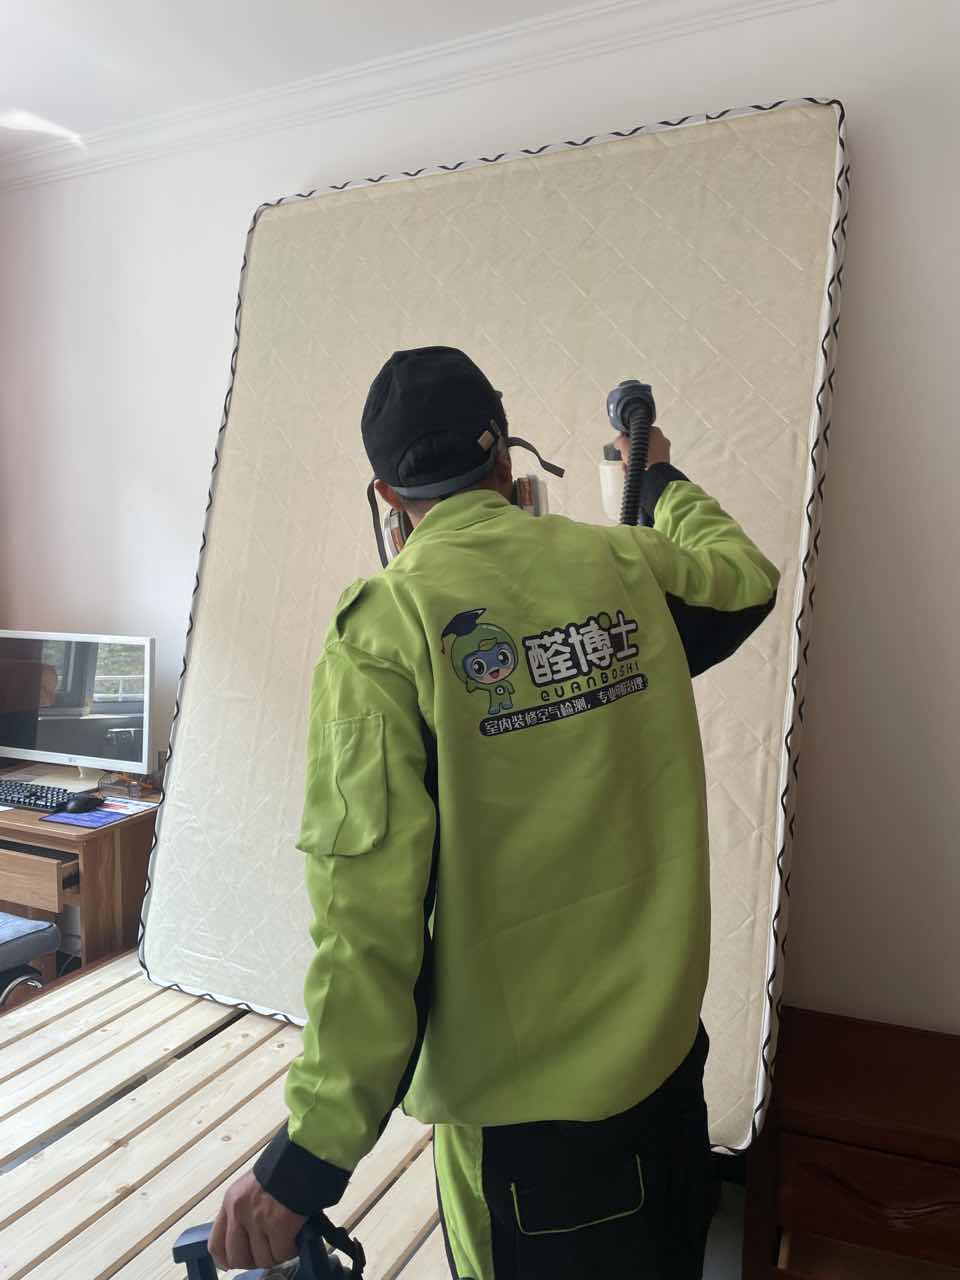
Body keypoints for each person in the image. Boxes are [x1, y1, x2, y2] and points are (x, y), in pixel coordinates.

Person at [210, 346, 780, 1278]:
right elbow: (744, 576)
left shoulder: (388, 632)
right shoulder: (625, 565)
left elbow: (369, 930)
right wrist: (657, 477)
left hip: (525, 1155)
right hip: (669, 1092)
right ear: (506, 456)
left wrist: (306, 1160)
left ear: (388, 498)